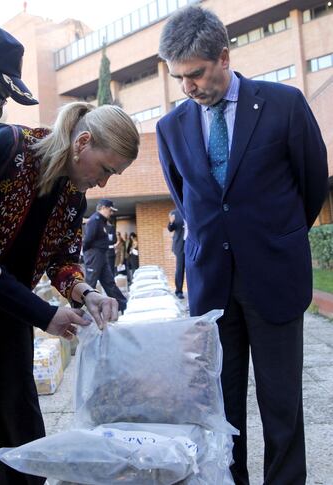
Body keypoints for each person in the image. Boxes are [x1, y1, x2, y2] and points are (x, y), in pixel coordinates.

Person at [157, 5, 328, 484]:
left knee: (282, 407)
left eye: (196, 74)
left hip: (275, 278)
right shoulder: (171, 128)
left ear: (224, 57)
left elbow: (312, 185)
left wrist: (276, 238)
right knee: (220, 410)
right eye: (178, 78)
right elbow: (188, 200)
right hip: (211, 288)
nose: (188, 87)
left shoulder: (284, 104)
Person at [0, 101, 139, 484]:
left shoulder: (73, 196)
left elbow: (63, 259)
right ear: (83, 142)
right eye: (106, 169)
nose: (104, 184)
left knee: (23, 442)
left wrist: (85, 292)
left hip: (11, 325)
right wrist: (45, 315)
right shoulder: (6, 147)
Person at [83, 199, 128, 312]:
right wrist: (87, 253)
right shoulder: (95, 220)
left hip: (102, 255)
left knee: (109, 282)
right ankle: (81, 309)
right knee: (90, 283)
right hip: (94, 254)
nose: (111, 213)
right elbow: (88, 239)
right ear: (103, 207)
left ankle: (123, 306)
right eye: (110, 210)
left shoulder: (101, 221)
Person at [167, 208, 185, 299]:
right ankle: (179, 291)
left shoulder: (192, 209)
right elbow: (170, 229)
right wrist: (171, 222)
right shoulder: (174, 213)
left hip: (192, 244)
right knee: (180, 268)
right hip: (180, 245)